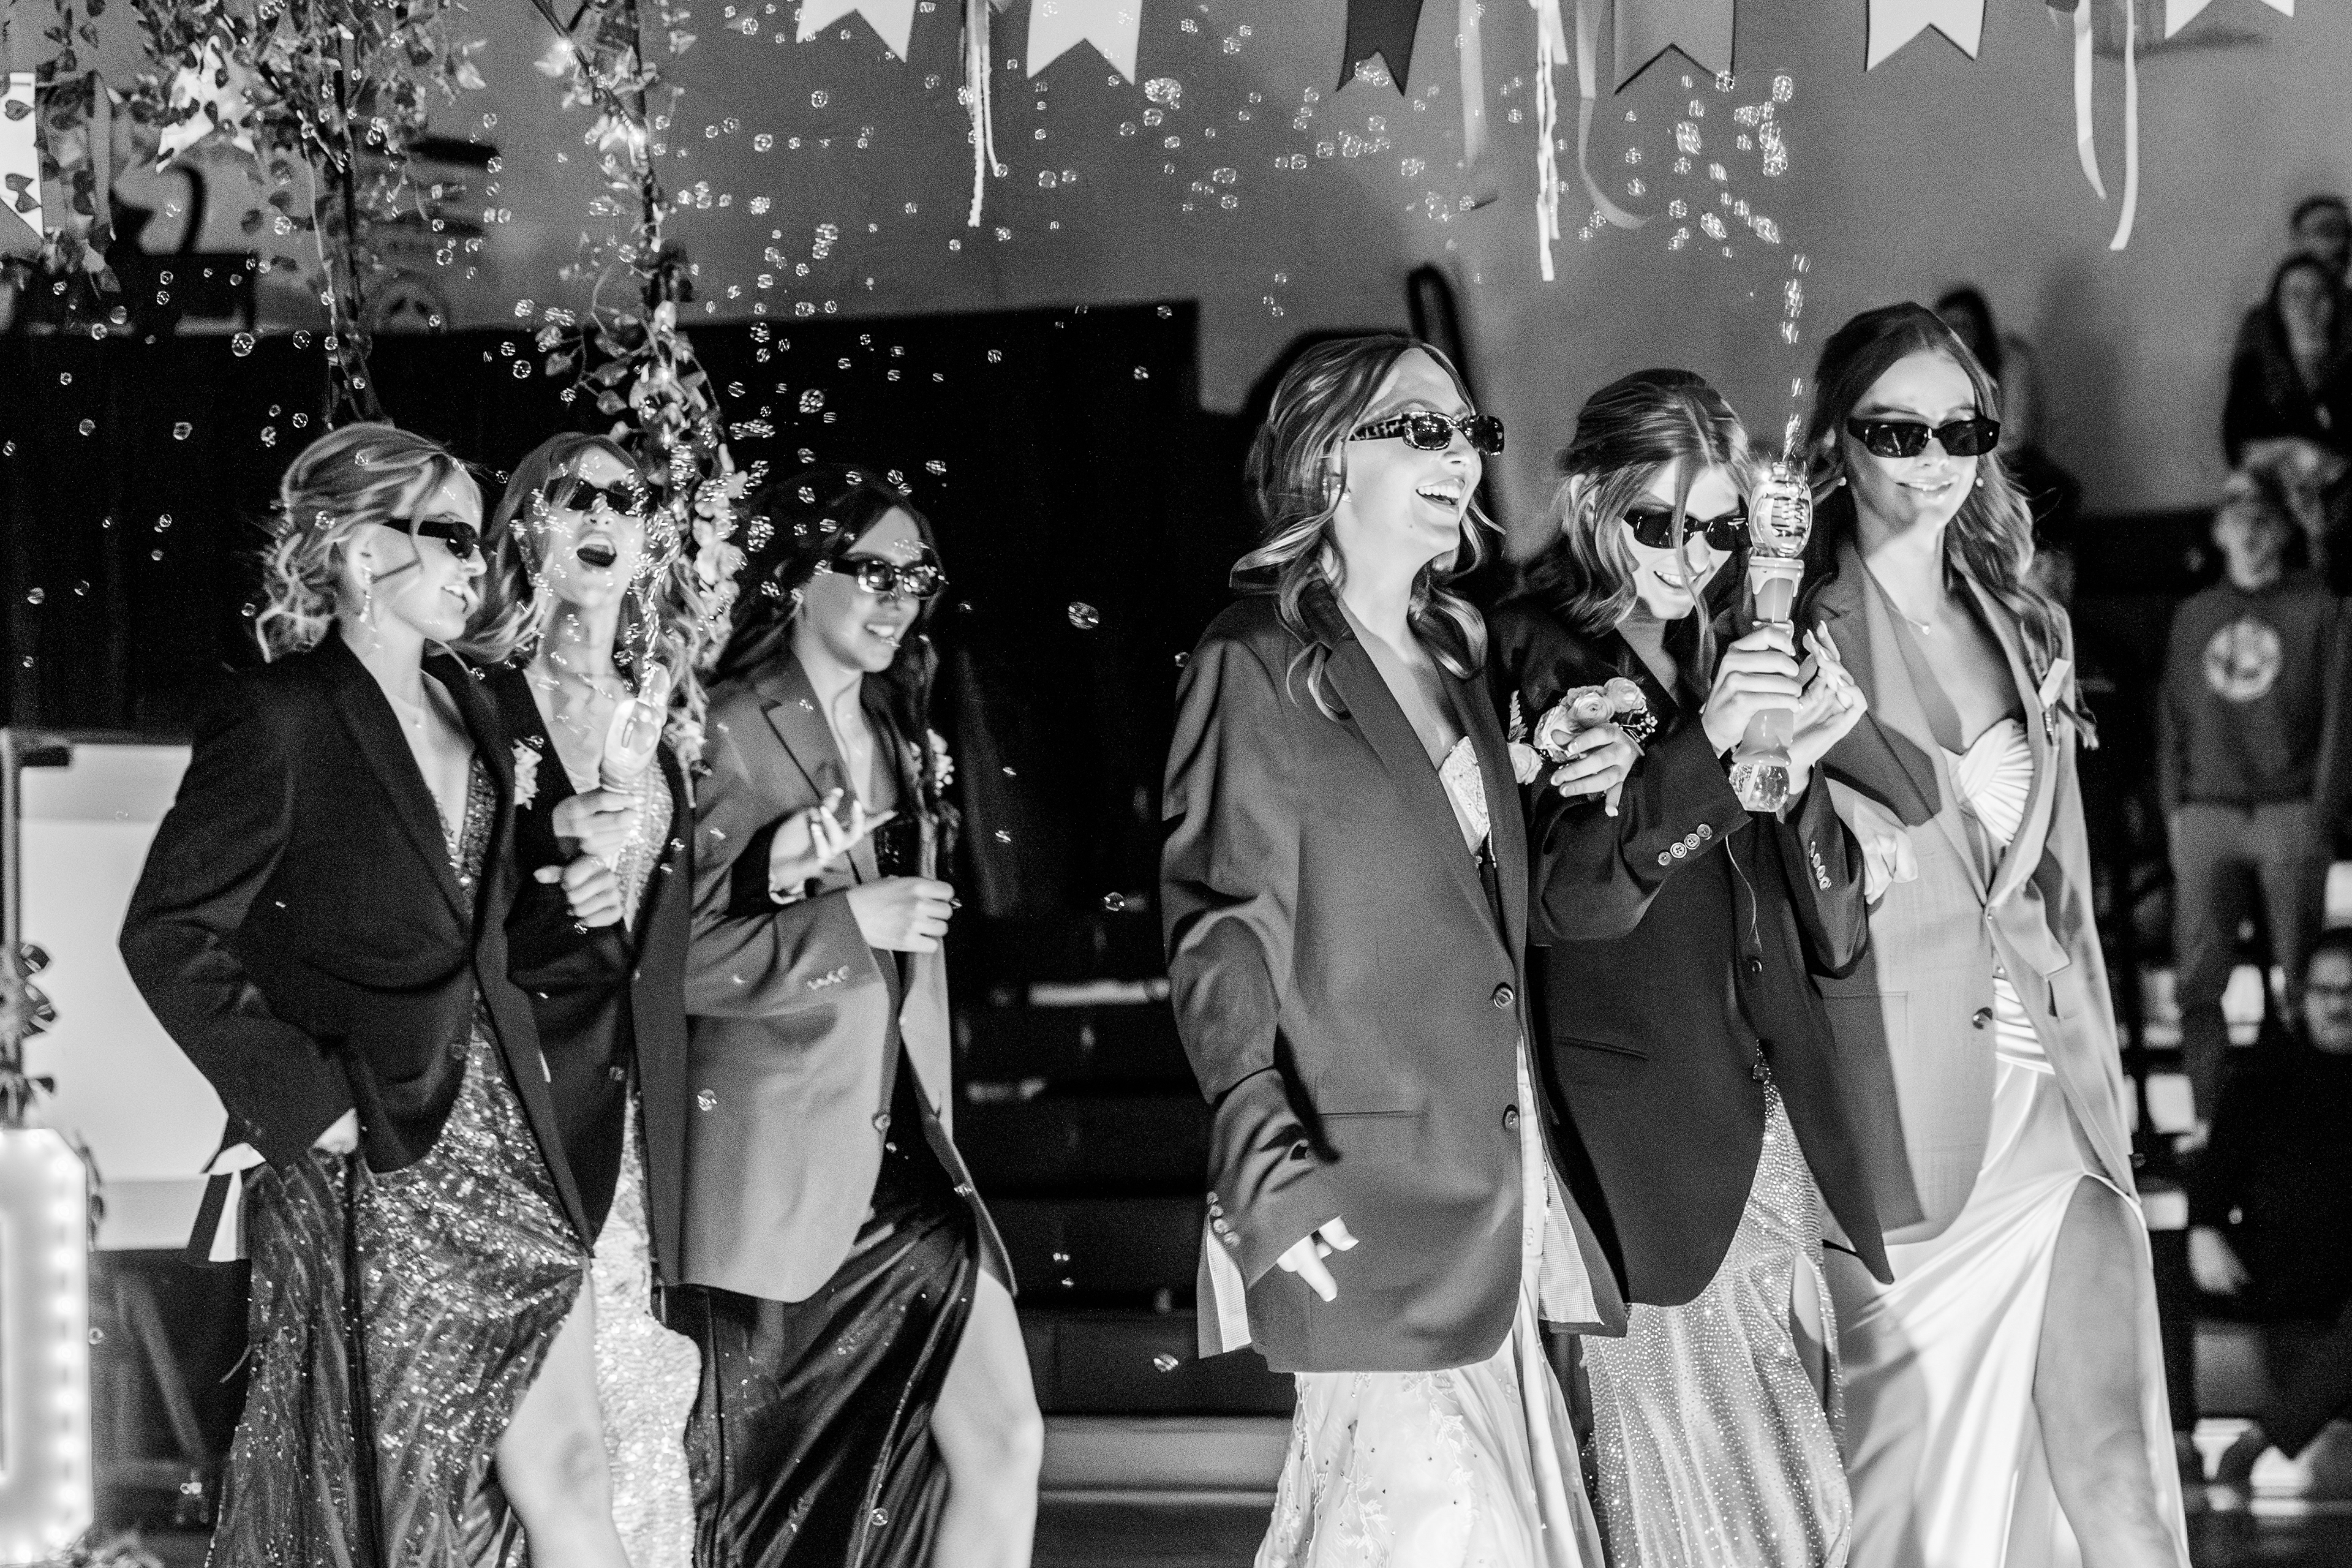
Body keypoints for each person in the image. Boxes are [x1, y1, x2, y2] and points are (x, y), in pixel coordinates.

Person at [118, 423, 633, 1564]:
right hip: (379, 1157)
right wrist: (309, 1104)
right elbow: (167, 932)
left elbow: (489, 935)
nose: (474, 561)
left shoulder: (475, 706)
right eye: (449, 533)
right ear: (359, 552)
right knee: (402, 1502)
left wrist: (572, 894)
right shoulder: (283, 714)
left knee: (572, 1467)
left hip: (514, 1142)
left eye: (477, 537)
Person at [1164, 333, 1624, 1568]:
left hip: (1500, 1180)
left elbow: (1488, 920)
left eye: (1470, 431)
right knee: (1442, 1528)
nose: (1459, 453)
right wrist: (1264, 1165)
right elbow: (1220, 929)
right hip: (1356, 1184)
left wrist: (1585, 788)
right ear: (1328, 459)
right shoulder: (1256, 659)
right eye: (1421, 426)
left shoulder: (1459, 656)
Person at [1798, 304, 2190, 1567]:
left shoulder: (2030, 625)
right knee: (1902, 1518)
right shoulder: (1786, 631)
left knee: (2117, 1471)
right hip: (1891, 1117)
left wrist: (2105, 1092)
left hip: (2053, 1103)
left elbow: (2059, 889)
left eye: (1960, 429)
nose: (1933, 458)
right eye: (1895, 430)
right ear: (1836, 439)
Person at [1490, 368, 1885, 1567]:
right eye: (1660, 523)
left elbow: (1827, 920)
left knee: (1805, 1487)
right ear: (1591, 497)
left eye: (1717, 529)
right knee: (1701, 1499)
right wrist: (1708, 747)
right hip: (1634, 1122)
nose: (1692, 555)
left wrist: (1800, 773)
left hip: (1767, 1111)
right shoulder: (1532, 647)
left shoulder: (1732, 645)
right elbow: (1569, 900)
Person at [674, 465, 1039, 1568]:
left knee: (1005, 1440)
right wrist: (847, 923)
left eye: (916, 578)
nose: (898, 599)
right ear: (799, 575)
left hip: (911, 1155)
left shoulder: (899, 728)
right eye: (873, 571)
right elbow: (671, 965)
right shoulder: (728, 728)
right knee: (779, 1520)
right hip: (781, 1177)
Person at [470, 434, 704, 1564]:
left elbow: (661, 946)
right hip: (519, 1101)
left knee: (636, 1407)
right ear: (527, 529)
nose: (606, 511)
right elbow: (453, 912)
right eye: (575, 494)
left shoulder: (659, 714)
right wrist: (551, 873)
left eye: (630, 496)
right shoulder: (482, 705)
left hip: (633, 1109)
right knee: (547, 1436)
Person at [2158, 446, 2352, 1134]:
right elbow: (2170, 720)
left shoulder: (2320, 607)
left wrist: (2323, 811)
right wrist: (2175, 812)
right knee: (2197, 981)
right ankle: (2209, 1125)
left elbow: (2340, 716)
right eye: (2238, 517)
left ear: (2285, 528)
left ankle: (2312, 1124)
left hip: (2290, 809)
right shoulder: (2193, 614)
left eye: (2265, 518)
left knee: (2304, 978)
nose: (2251, 532)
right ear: (2217, 530)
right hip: (2206, 811)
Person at [2198, 929, 2352, 1491]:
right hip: (2279, 1272)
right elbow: (2215, 1173)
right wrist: (2204, 1227)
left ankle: (2261, 1440)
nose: (2338, 1005)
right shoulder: (2262, 1075)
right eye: (2326, 991)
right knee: (2149, 1251)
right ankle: (2178, 1442)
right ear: (2303, 998)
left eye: (2351, 991)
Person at [1932, 287, 2081, 556]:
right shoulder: (1935, 371)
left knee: (2052, 492)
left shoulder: (2010, 360)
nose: (1956, 335)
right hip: (1957, 460)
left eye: (1964, 325)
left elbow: (2014, 432)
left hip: (2006, 461)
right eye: (1947, 327)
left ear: (1981, 327)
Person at [2223, 254, 2352, 469]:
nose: (2308, 307)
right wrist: (2293, 451)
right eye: (2296, 296)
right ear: (2278, 308)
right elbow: (2238, 448)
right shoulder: (2255, 370)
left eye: (2320, 295)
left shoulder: (2347, 368)